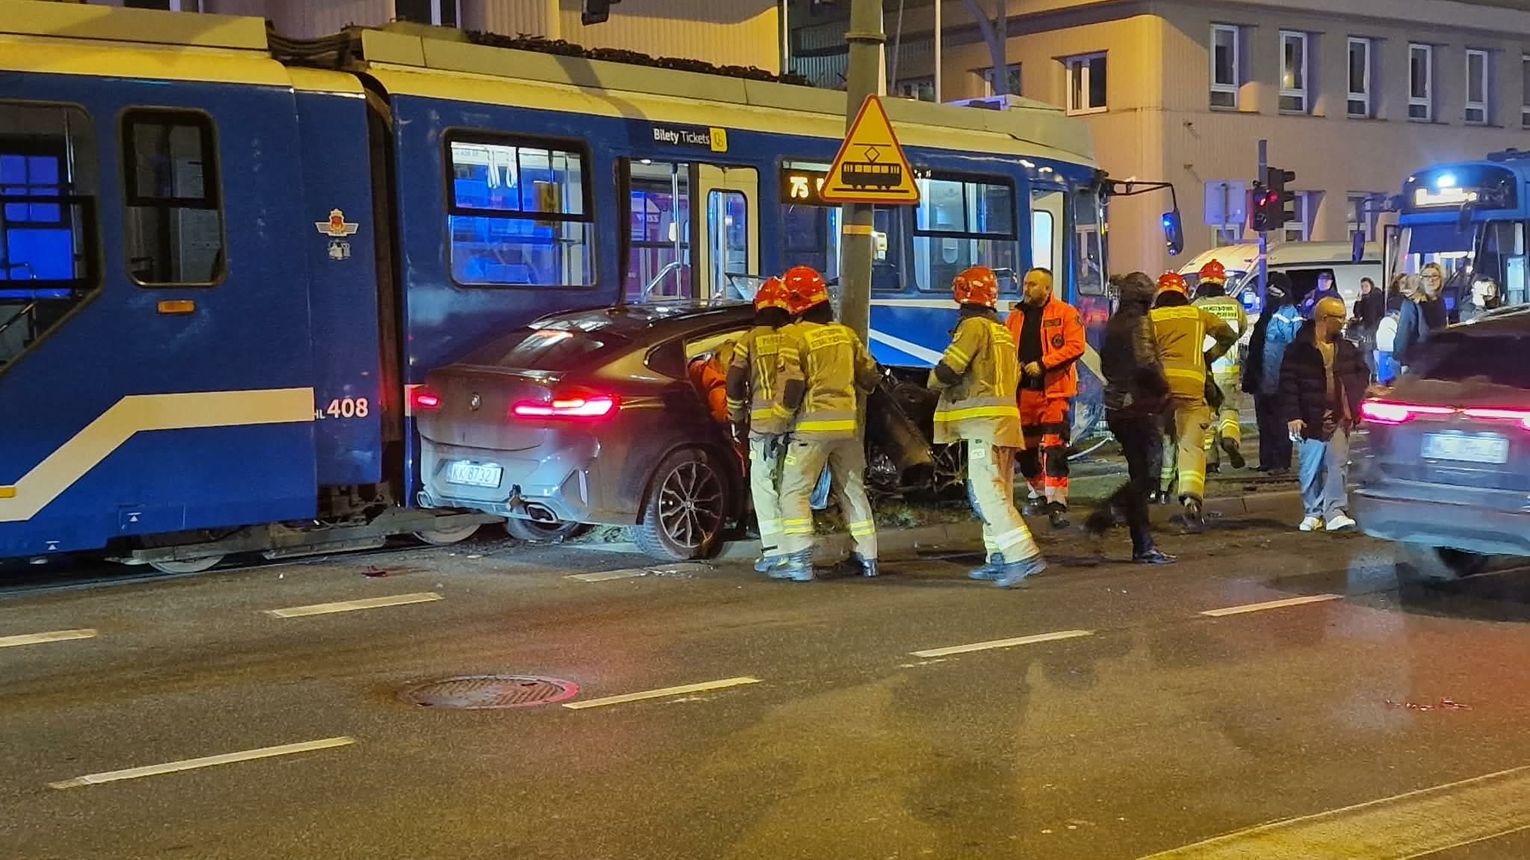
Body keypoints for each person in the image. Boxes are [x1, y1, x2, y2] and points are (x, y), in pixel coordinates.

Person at [927, 266, 1047, 588]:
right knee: (1000, 491)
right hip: (1005, 425)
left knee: (985, 491)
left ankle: (1022, 554)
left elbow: (951, 368)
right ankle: (997, 556)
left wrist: (932, 380)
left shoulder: (972, 327)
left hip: (983, 426)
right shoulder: (1002, 331)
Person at [772, 265, 882, 582]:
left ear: (795, 302)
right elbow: (870, 376)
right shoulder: (846, 334)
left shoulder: (792, 336)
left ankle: (799, 561)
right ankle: (868, 558)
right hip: (846, 428)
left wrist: (779, 422)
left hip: (811, 428)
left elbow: (792, 385)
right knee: (852, 491)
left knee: (794, 493)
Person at [1084, 272, 1174, 564]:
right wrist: (1164, 389)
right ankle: (1108, 513)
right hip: (1140, 406)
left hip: (1117, 406)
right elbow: (1146, 361)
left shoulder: (1113, 323)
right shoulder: (1139, 323)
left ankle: (1143, 545)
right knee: (1149, 475)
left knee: (1140, 475)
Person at [1150, 271, 1237, 532]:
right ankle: (1191, 500)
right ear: (1184, 293)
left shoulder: (1151, 318)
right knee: (1191, 447)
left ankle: (1158, 491)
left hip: (1159, 390)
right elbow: (1228, 334)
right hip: (1192, 388)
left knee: (1163, 440)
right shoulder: (1197, 315)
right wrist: (1208, 355)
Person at [1004, 267, 1086, 529]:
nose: (1026, 289)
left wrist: (1043, 364)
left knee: (1054, 447)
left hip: (1054, 392)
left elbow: (1075, 346)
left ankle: (1057, 502)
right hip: (1023, 392)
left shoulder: (1065, 313)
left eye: (1032, 285)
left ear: (1047, 289)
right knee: (1024, 450)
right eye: (1026, 283)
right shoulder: (1015, 317)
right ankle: (1039, 493)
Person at [1279, 296, 1368, 532]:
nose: (1344, 321)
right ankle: (1313, 511)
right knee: (1311, 467)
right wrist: (1293, 416)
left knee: (1337, 464)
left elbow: (1362, 373)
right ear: (1324, 318)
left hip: (1339, 416)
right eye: (1339, 317)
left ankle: (1335, 511)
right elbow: (1288, 384)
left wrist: (1354, 399)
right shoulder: (1298, 350)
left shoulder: (1347, 348)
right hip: (1310, 418)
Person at [726, 275, 792, 574]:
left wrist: (736, 419)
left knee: (764, 487)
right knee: (791, 488)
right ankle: (797, 548)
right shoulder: (796, 336)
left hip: (763, 427)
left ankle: (775, 551)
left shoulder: (748, 340)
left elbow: (735, 381)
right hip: (795, 425)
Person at [1240, 272, 1303, 473]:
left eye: (1274, 289)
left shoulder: (1289, 313)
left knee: (1280, 422)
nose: (1270, 293)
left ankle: (1281, 463)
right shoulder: (1267, 313)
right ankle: (1266, 461)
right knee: (1265, 422)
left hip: (1280, 378)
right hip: (1263, 378)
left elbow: (1295, 345)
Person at [1191, 259, 1248, 472]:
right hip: (1229, 369)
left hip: (1205, 370)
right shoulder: (1234, 305)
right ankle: (1230, 437)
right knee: (1229, 410)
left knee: (1206, 416)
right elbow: (1240, 331)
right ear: (1222, 282)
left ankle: (1211, 462)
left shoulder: (1196, 307)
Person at [1395, 263, 1448, 370]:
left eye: (1434, 276)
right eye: (1426, 276)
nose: (1431, 280)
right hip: (1417, 362)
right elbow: (1404, 334)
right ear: (1421, 280)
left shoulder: (1440, 301)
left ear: (1440, 279)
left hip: (1438, 360)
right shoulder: (1412, 303)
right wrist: (1404, 363)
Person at [1351, 276, 1385, 373]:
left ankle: (1375, 372)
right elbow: (1357, 313)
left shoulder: (1376, 296)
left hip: (1374, 328)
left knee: (1372, 351)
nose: (1364, 288)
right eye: (1362, 286)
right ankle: (1373, 372)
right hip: (1367, 329)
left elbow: (1377, 313)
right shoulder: (1364, 299)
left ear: (1371, 285)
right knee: (1368, 351)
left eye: (1366, 286)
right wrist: (1358, 301)